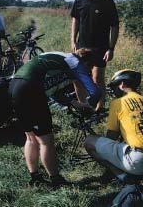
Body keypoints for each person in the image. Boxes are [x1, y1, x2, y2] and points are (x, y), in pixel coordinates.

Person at [9, 49, 101, 188]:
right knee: (46, 140)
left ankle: (35, 178)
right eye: (89, 68)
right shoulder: (74, 62)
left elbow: (53, 91)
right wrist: (89, 106)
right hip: (31, 90)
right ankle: (56, 180)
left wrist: (74, 103)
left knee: (30, 137)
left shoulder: (57, 58)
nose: (88, 71)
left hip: (14, 86)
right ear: (86, 62)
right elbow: (95, 92)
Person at [84, 69, 143, 180]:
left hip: (139, 161)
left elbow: (111, 137)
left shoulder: (118, 102)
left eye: (113, 87)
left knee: (89, 141)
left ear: (122, 84)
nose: (113, 91)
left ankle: (120, 175)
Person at [70, 0, 119, 110]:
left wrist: (111, 48)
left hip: (100, 47)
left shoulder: (107, 1)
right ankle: (85, 108)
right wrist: (73, 40)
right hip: (82, 47)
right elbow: (76, 20)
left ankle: (99, 108)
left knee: (97, 78)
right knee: (78, 79)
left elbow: (114, 26)